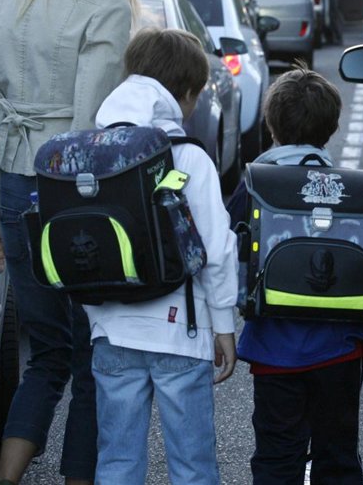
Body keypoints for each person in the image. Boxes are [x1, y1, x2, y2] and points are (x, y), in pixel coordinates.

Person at [0, 0, 139, 485]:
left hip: (16, 181)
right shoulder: (106, 4)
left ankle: (5, 479)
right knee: (94, 353)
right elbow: (90, 124)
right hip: (75, 193)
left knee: (45, 353)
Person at [89, 27, 239, 484]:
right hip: (180, 332)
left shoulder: (93, 151)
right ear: (186, 93)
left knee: (117, 461)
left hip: (111, 329)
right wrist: (224, 325)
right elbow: (216, 249)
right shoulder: (187, 157)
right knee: (192, 467)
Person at [226, 66, 363, 485]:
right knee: (338, 455)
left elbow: (228, 252)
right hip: (340, 348)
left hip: (274, 349)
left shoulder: (255, 184)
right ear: (331, 129)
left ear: (272, 124)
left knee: (276, 456)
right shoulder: (352, 188)